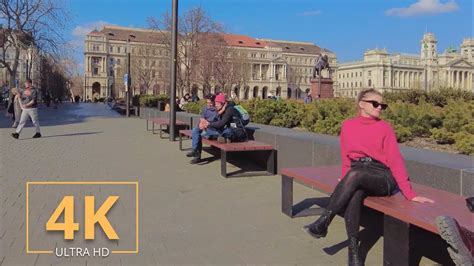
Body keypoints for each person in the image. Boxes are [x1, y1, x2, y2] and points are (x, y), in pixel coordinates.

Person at [302, 88, 434, 265]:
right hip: (358, 172)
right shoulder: (348, 126)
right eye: (375, 103)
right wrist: (345, 180)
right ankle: (353, 252)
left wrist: (410, 194)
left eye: (382, 105)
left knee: (355, 176)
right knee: (354, 193)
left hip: (382, 177)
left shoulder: (384, 128)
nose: (380, 107)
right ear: (361, 104)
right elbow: (346, 159)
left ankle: (324, 221)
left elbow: (395, 161)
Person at [190, 93, 247, 164]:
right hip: (220, 130)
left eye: (216, 103)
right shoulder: (220, 109)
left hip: (235, 131)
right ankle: (195, 151)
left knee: (224, 132)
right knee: (196, 130)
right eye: (215, 103)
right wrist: (204, 124)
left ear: (223, 103)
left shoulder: (230, 110)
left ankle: (220, 138)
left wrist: (208, 124)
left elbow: (221, 124)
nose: (215, 105)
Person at [186, 94, 218, 160]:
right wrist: (203, 125)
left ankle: (196, 156)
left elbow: (218, 123)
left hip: (213, 130)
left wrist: (207, 125)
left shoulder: (217, 110)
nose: (209, 104)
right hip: (205, 127)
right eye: (208, 102)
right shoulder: (205, 108)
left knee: (199, 135)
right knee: (195, 130)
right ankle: (194, 150)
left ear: (214, 102)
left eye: (211, 103)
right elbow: (202, 119)